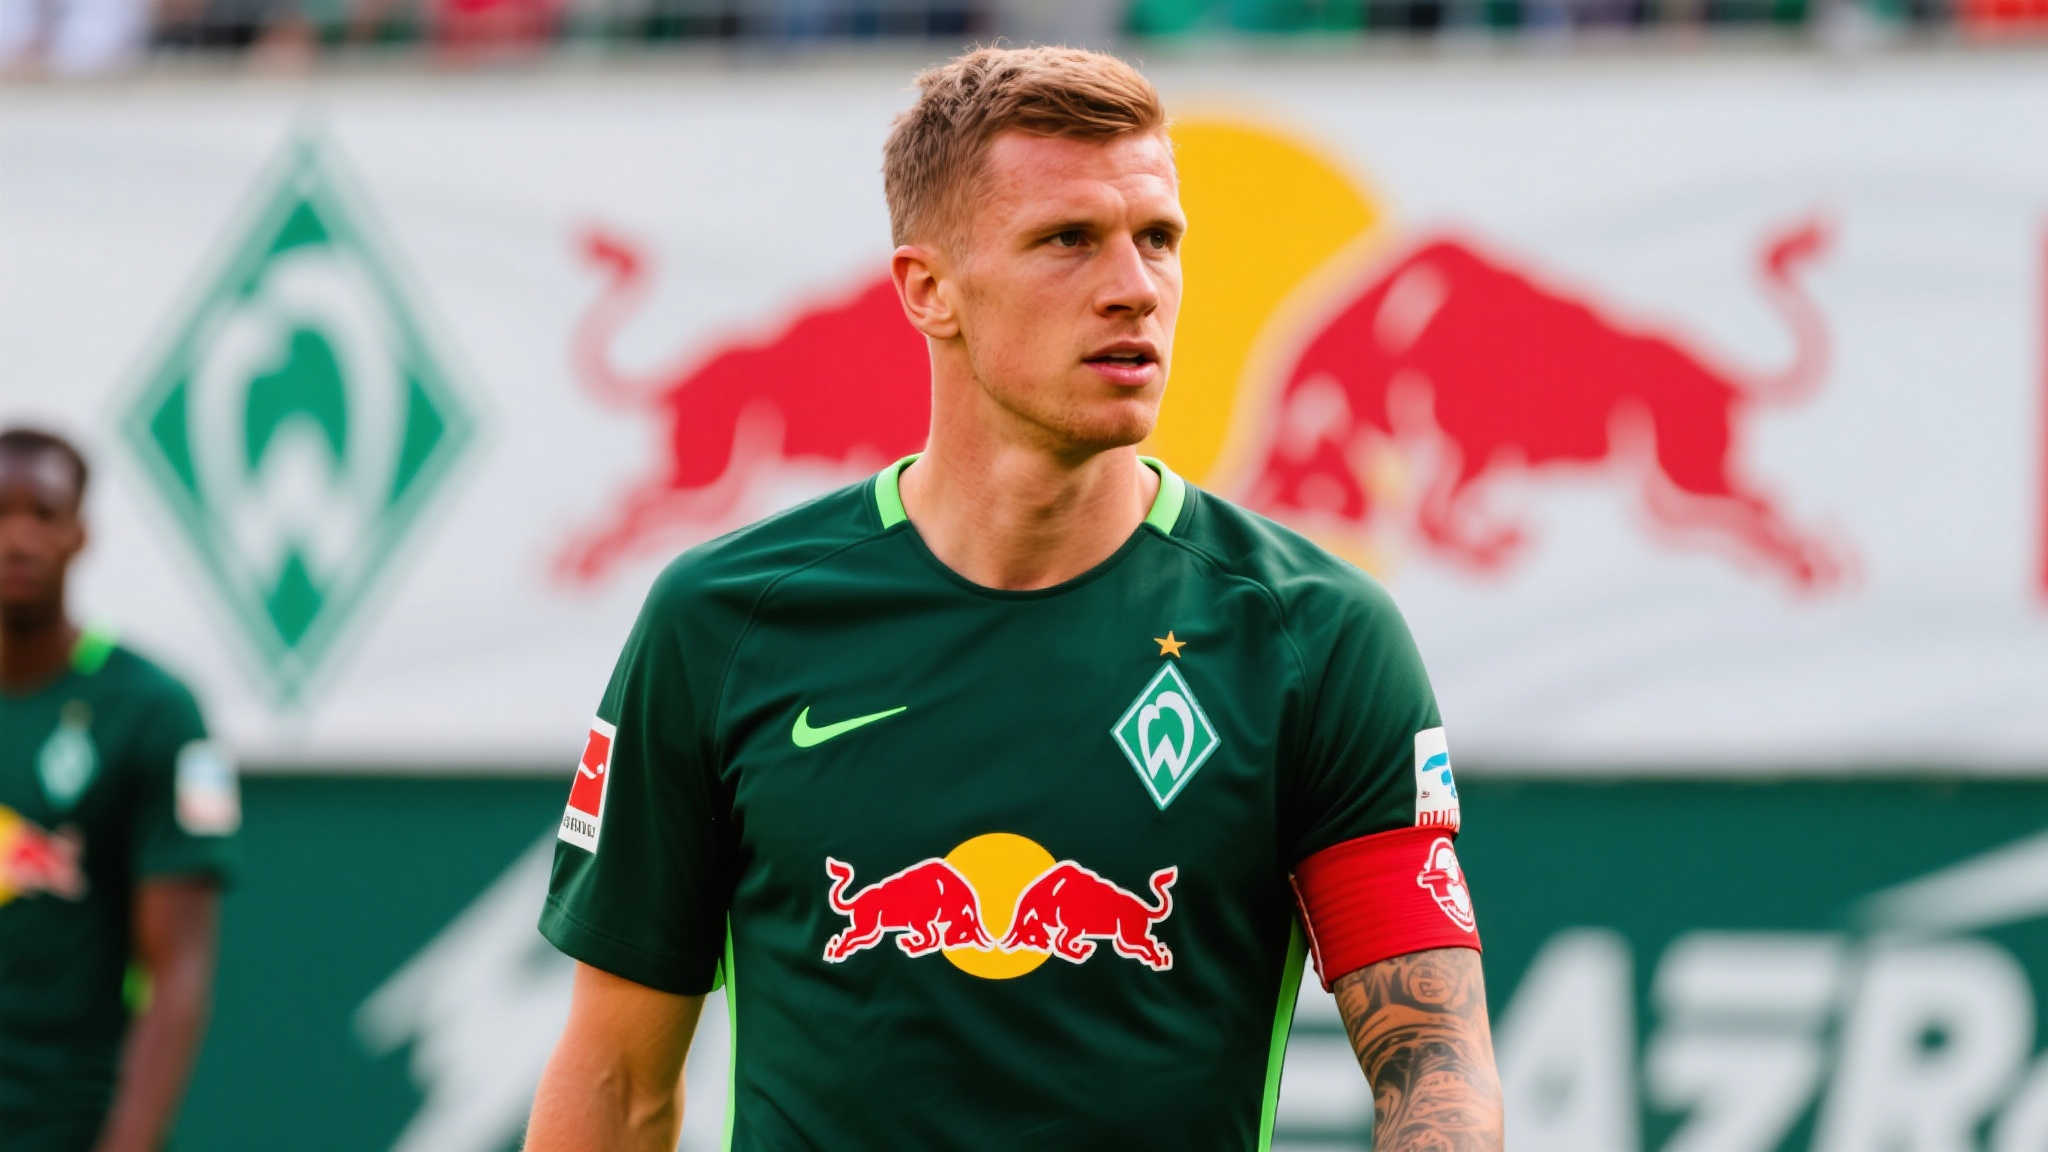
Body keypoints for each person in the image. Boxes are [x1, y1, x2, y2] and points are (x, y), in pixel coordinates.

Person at [527, 45, 1502, 1151]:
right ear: (928, 290)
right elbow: (616, 1084)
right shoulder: (723, 621)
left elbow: (1434, 1058)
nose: (1135, 286)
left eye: (1158, 238)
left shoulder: (1315, 634)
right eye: (1067, 240)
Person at [0, 427, 239, 1152]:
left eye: (43, 514)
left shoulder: (163, 713)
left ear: (81, 533)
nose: (18, 539)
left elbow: (181, 970)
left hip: (71, 1120)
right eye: (0, 513)